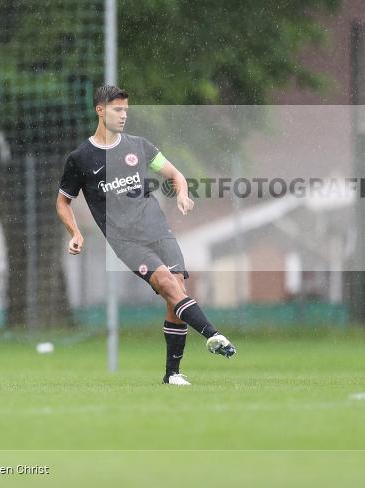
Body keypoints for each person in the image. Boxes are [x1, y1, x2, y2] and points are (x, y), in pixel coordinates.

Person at [56, 85, 236, 386]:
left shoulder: (139, 146)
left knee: (174, 292)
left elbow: (175, 175)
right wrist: (74, 231)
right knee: (167, 283)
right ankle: (213, 335)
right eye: (117, 109)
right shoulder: (81, 158)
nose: (124, 115)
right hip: (125, 241)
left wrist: (182, 194)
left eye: (126, 109)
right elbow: (63, 201)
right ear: (100, 111)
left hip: (158, 230)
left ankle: (172, 374)